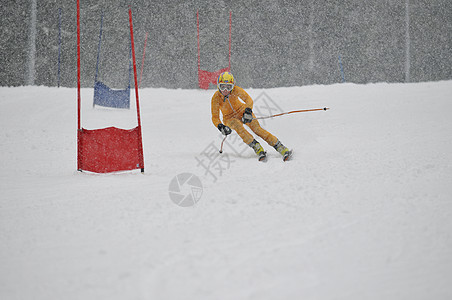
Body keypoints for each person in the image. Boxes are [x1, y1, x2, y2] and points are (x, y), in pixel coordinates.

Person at [211, 71, 292, 161]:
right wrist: (220, 126)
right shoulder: (216, 98)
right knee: (238, 127)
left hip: (242, 111)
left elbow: (248, 99)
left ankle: (279, 145)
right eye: (222, 87)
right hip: (229, 118)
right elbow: (215, 117)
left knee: (257, 129)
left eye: (229, 87)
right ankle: (256, 146)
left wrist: (248, 111)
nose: (225, 90)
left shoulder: (236, 90)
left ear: (233, 86)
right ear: (218, 86)